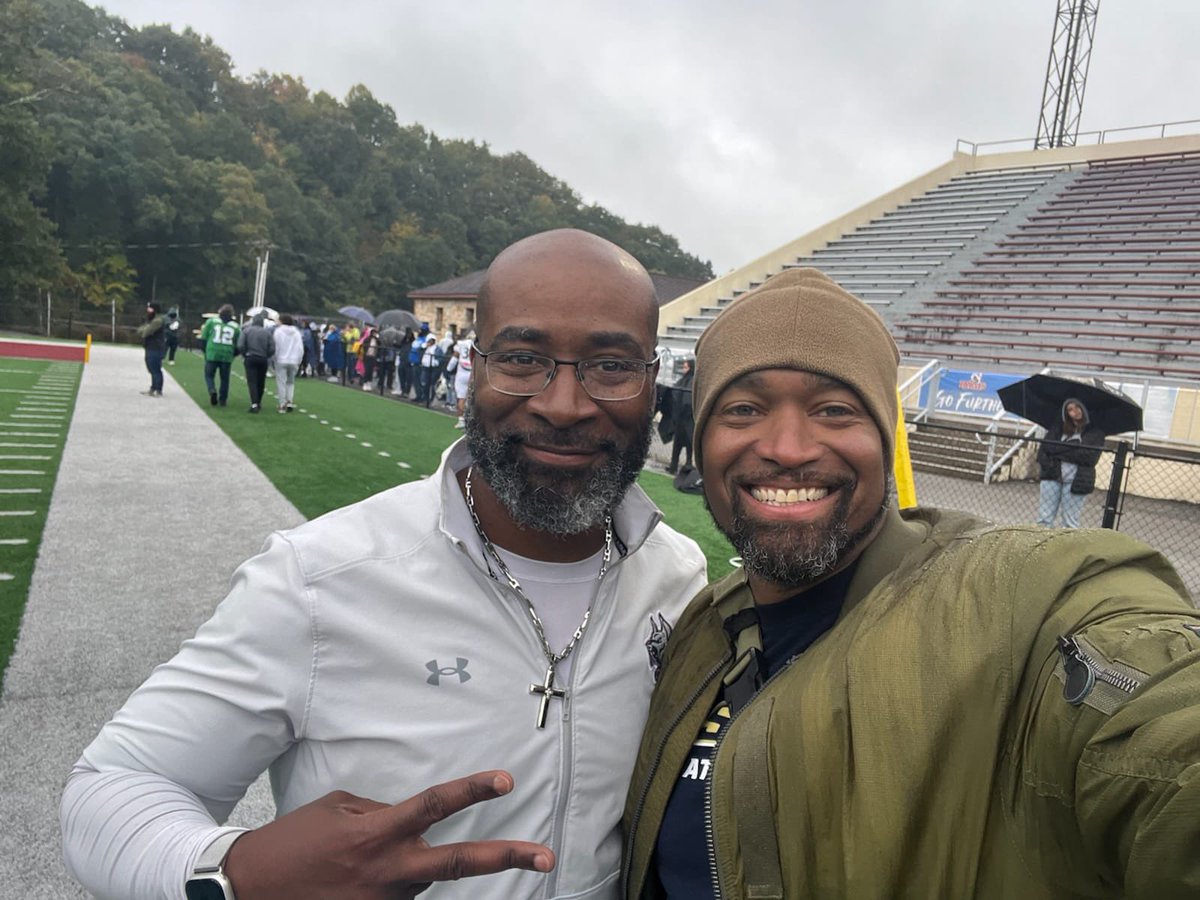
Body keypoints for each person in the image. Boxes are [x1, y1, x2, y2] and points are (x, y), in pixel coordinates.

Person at [61, 229, 708, 900]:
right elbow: (112, 789)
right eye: (522, 358)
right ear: (474, 369)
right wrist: (234, 873)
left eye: (610, 366)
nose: (565, 405)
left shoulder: (679, 580)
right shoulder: (321, 578)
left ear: (650, 381)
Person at [621, 268, 1200, 900]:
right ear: (702, 441)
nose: (787, 447)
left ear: (884, 435)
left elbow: (1161, 727)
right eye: (743, 409)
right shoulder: (700, 630)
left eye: (834, 409)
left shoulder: (1019, 601)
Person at [1036, 398, 1105, 528]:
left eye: (1077, 407)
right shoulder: (1058, 429)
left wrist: (1057, 452)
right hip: (1052, 475)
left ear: (1084, 408)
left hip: (1076, 481)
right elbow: (1044, 450)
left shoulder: (1095, 433)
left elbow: (1088, 457)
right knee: (1044, 519)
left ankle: (1066, 547)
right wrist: (1072, 447)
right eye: (1070, 409)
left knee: (1070, 522)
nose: (1075, 412)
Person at [199, 305, 240, 407]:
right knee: (225, 379)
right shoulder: (235, 326)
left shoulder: (211, 322)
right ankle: (223, 400)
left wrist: (205, 351)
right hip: (227, 353)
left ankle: (212, 389)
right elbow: (239, 343)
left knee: (209, 375)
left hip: (212, 352)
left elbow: (203, 338)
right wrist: (233, 354)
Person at [238, 313, 275, 414]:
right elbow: (272, 348)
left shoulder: (246, 331)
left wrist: (245, 354)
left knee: (252, 382)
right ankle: (258, 401)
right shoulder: (267, 333)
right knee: (261, 381)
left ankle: (254, 403)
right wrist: (266, 355)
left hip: (250, 357)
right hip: (263, 358)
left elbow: (240, 345)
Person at [665, 359, 694, 475]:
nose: (683, 369)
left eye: (686, 367)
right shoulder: (684, 380)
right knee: (677, 444)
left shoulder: (692, 381)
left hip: (688, 419)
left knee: (688, 445)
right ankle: (673, 466)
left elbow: (688, 400)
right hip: (680, 419)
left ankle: (688, 466)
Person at [272, 313, 304, 413]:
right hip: (294, 360)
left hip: (281, 359)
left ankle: (282, 405)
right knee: (291, 382)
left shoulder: (278, 331)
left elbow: (276, 347)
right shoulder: (296, 332)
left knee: (281, 383)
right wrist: (299, 360)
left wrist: (275, 358)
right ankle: (289, 401)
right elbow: (300, 348)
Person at [136, 302, 167, 397]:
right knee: (151, 368)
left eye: (150, 308)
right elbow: (140, 330)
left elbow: (146, 332)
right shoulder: (151, 319)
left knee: (155, 369)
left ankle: (158, 389)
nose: (147, 310)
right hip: (150, 346)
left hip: (156, 347)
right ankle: (153, 388)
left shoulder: (157, 320)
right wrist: (144, 329)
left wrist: (144, 329)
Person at [454, 330, 475, 427]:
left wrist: (448, 368)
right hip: (472, 372)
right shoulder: (476, 344)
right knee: (471, 397)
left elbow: (455, 356)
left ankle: (461, 420)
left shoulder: (461, 344)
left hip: (462, 372)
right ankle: (471, 419)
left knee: (461, 398)